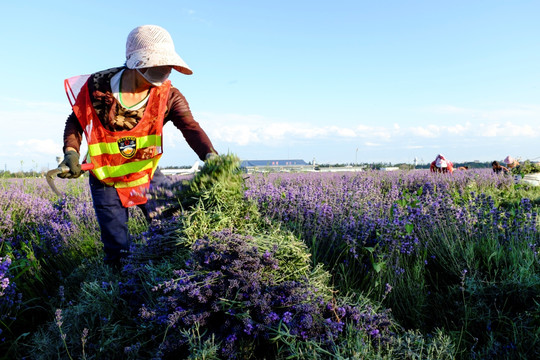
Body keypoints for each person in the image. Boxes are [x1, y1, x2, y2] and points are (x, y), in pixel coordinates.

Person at [59, 25, 217, 268]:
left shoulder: (169, 96)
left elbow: (190, 127)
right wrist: (71, 152)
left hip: (147, 174)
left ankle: (167, 290)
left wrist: (212, 158)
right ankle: (120, 298)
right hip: (106, 178)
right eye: (153, 67)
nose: (161, 74)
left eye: (165, 68)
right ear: (135, 64)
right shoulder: (98, 87)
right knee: (118, 251)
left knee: (171, 232)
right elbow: (76, 120)